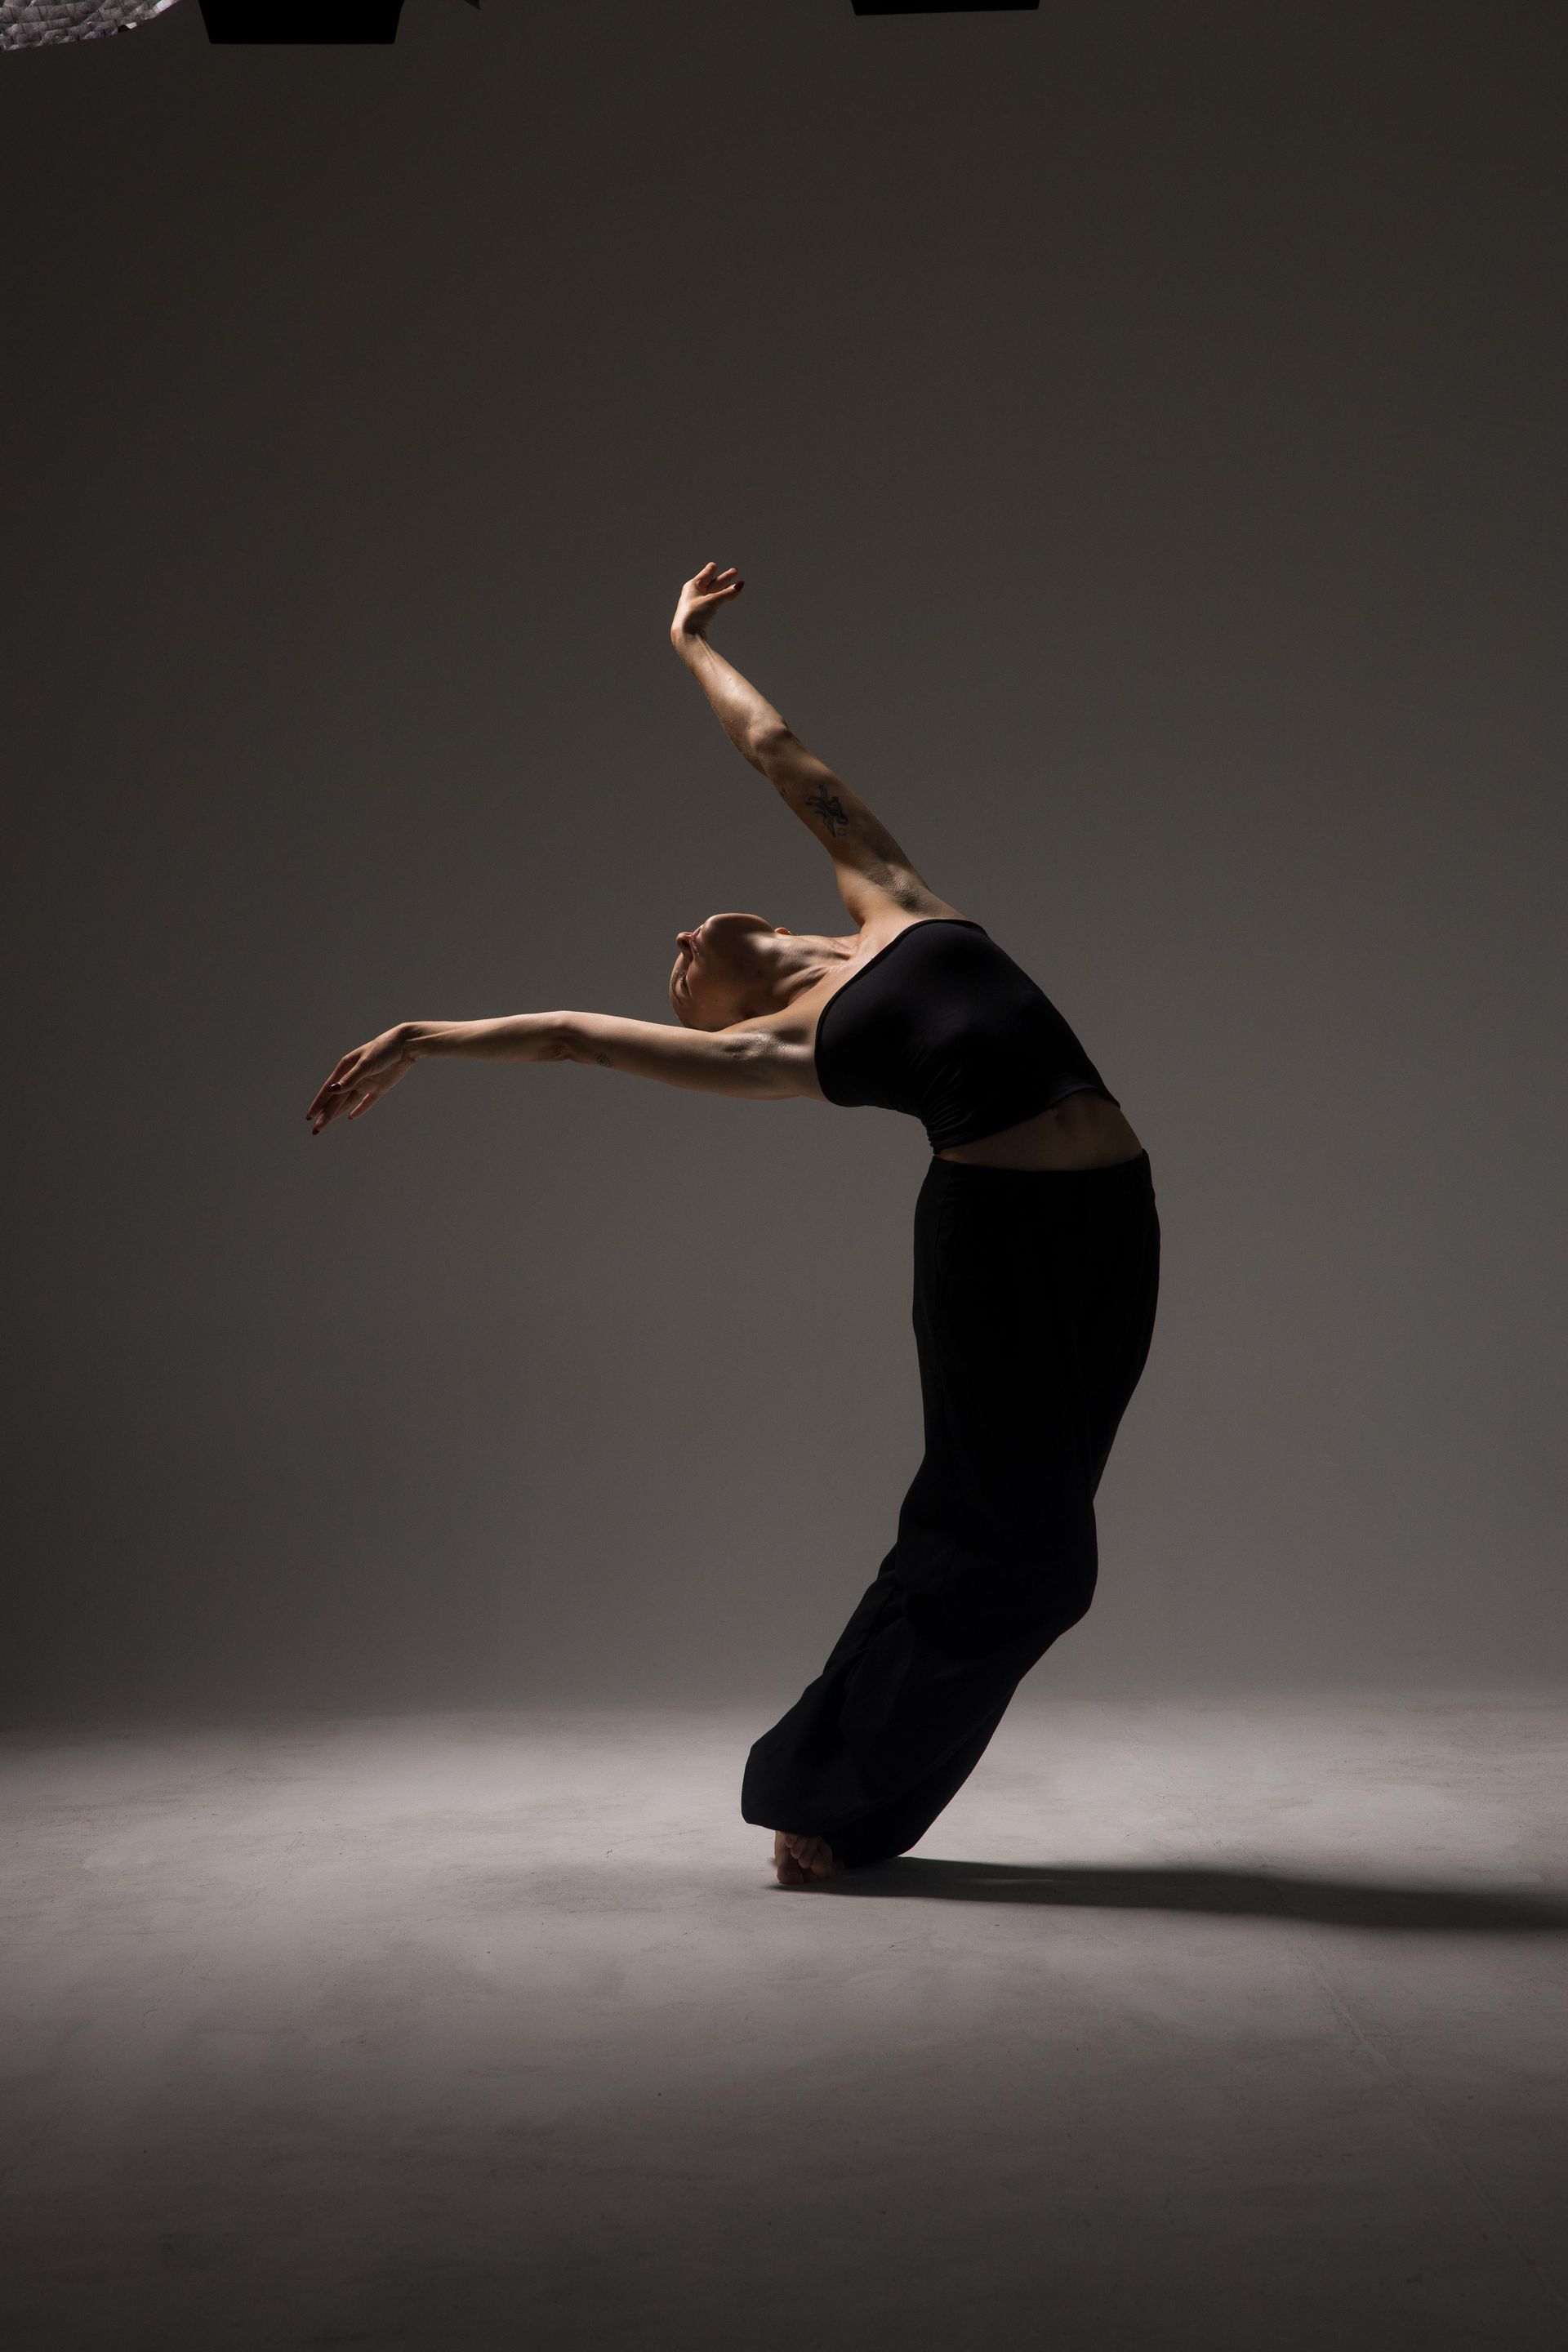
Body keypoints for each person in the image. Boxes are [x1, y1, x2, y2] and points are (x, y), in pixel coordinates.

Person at [306, 563, 1161, 1890]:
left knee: (1037, 1549)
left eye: (680, 948)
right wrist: (426, 1035)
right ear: (715, 1016)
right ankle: (821, 1792)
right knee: (1007, 1542)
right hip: (992, 1241)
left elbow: (775, 749)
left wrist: (687, 640)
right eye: (674, 973)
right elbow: (584, 1041)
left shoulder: (891, 894)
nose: (677, 940)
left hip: (1115, 1218)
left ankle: (834, 1791)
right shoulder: (790, 1044)